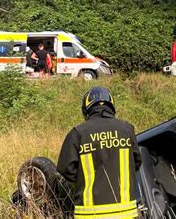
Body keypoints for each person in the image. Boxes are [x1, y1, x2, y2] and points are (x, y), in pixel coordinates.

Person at [57, 87, 142, 218]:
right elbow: (137, 162)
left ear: (86, 110)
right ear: (112, 106)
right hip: (125, 212)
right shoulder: (126, 129)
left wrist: (83, 180)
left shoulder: (78, 133)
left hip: (90, 213)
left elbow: (65, 168)